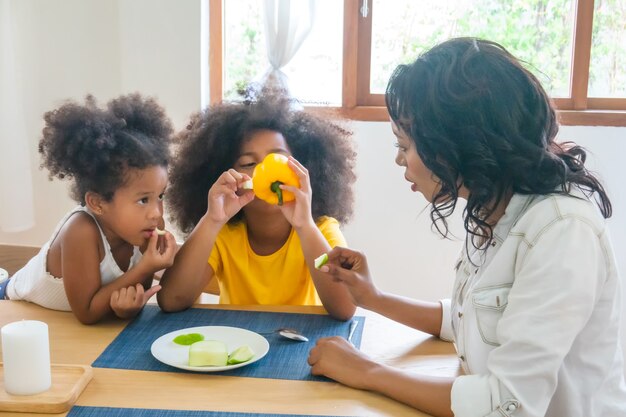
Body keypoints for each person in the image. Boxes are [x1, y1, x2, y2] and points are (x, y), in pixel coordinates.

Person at [307, 38, 626, 417]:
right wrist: (373, 298)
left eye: (405, 145)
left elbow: (509, 404)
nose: (398, 159)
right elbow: (467, 319)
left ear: (457, 143)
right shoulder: (496, 204)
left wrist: (366, 371)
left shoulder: (561, 232)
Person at [157, 93, 357, 320]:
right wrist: (211, 220)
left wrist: (304, 226)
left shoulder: (320, 230)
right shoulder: (224, 235)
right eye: (248, 164)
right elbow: (170, 300)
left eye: (277, 160)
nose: (263, 170)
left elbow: (345, 308)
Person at [3, 94, 177, 324]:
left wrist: (128, 308)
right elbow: (87, 312)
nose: (156, 212)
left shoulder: (147, 228)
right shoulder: (81, 231)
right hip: (11, 309)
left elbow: (130, 295)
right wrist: (146, 267)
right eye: (143, 199)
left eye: (160, 196)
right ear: (97, 203)